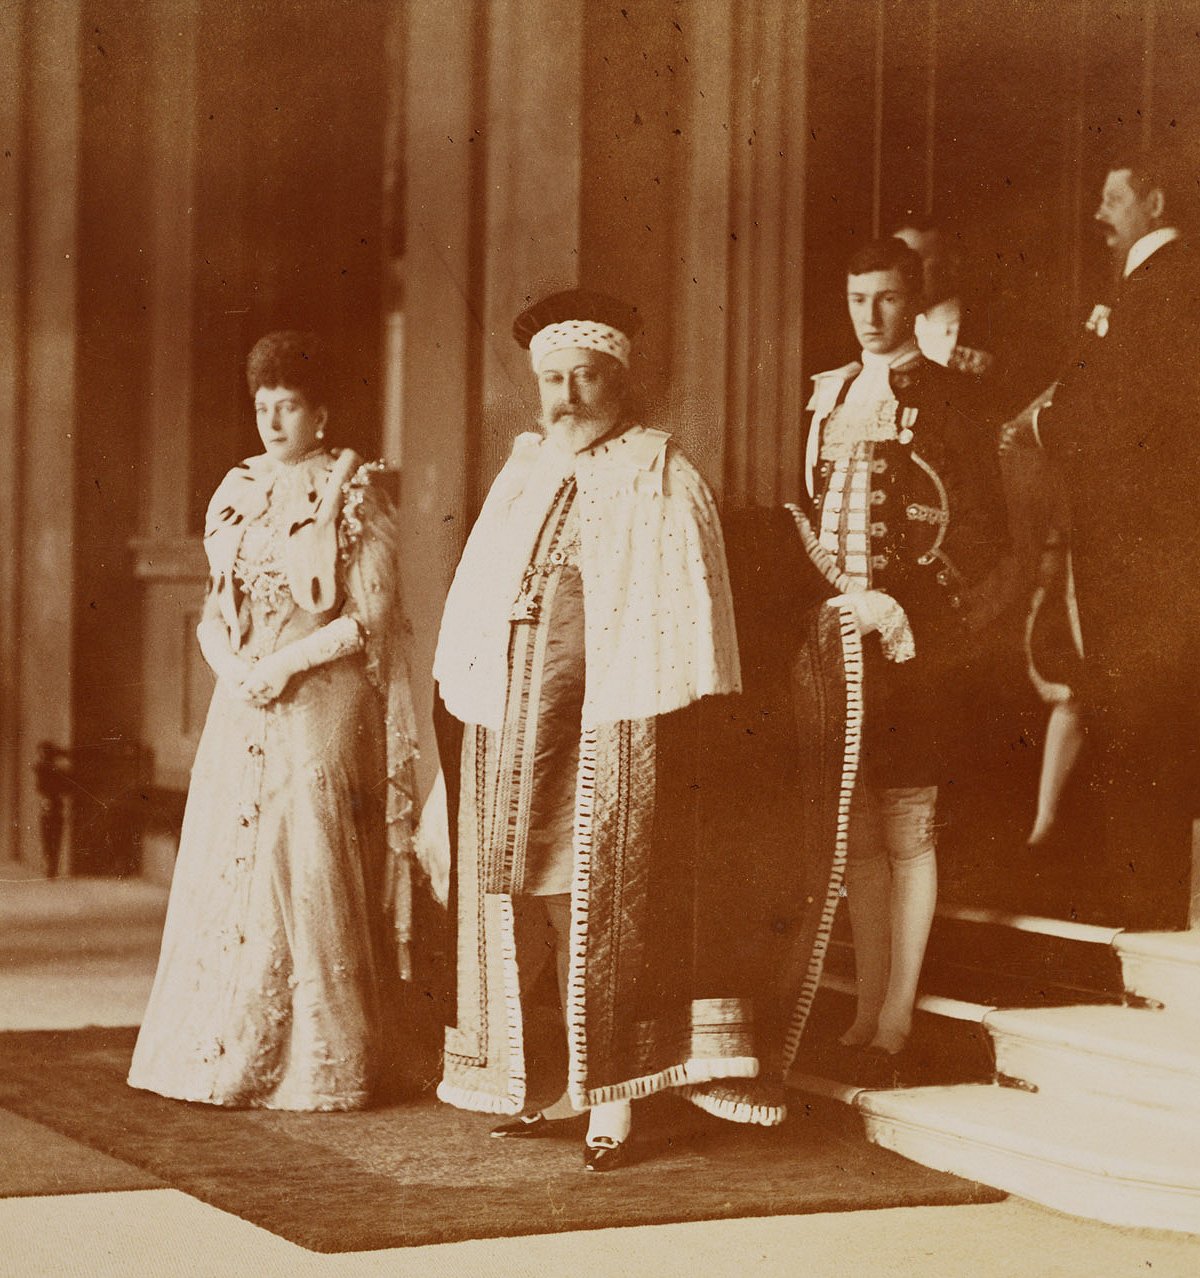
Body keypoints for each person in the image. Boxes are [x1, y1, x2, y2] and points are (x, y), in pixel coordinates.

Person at [432, 289, 763, 1172]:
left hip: (617, 724)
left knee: (605, 895)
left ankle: (613, 1096)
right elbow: (479, 599)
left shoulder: (660, 469)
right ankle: (574, 1079)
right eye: (552, 379)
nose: (567, 397)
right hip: (523, 728)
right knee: (534, 885)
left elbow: (689, 614)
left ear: (619, 381)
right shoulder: (526, 471)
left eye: (584, 377)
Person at [128, 331, 419, 1110]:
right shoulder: (239, 488)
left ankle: (320, 1064)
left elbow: (372, 619)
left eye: (289, 406)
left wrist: (283, 666)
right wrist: (233, 669)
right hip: (245, 696)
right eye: (264, 407)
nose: (274, 421)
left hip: (322, 695)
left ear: (320, 414)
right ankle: (216, 1052)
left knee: (306, 854)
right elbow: (212, 609)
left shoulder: (355, 493)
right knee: (230, 856)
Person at [792, 239, 1009, 1068]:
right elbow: (806, 509)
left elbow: (983, 531)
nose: (870, 316)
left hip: (916, 646)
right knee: (855, 834)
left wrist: (902, 606)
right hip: (840, 643)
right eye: (857, 299)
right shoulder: (828, 395)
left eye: (885, 298)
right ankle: (867, 1008)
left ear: (911, 300)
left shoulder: (953, 398)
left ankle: (899, 1016)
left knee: (909, 829)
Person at [1001, 149, 1200, 926]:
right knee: (1134, 708)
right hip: (1144, 541)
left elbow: (1128, 408)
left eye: (1112, 200)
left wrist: (1042, 422)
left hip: (1146, 544)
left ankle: (1147, 899)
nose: (1098, 215)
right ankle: (1143, 892)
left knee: (1142, 710)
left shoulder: (1165, 283)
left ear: (1152, 201)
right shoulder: (1149, 284)